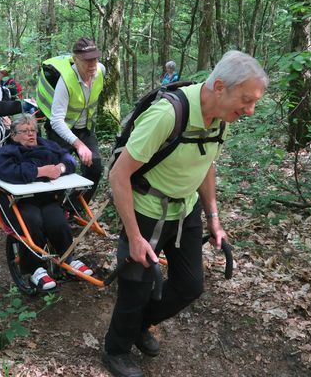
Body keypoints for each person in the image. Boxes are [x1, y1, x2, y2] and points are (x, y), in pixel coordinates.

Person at [102, 51, 268, 377]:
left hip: (186, 210)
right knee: (136, 286)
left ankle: (137, 326)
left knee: (190, 286)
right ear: (219, 86)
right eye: (246, 100)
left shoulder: (221, 118)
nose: (250, 110)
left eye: (254, 103)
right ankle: (116, 350)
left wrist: (214, 219)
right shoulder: (168, 114)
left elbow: (205, 164)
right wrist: (134, 237)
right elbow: (118, 176)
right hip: (147, 211)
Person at [0, 114, 93, 290]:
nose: (31, 134)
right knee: (32, 221)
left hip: (46, 197)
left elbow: (68, 159)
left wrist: (60, 168)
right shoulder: (8, 151)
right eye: (25, 131)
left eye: (33, 130)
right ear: (14, 135)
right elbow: (6, 171)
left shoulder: (48, 146)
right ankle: (35, 269)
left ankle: (68, 259)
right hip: (20, 201)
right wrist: (40, 171)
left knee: (57, 220)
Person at [36, 37, 105, 209]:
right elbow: (56, 120)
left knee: (95, 168)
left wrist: (83, 141)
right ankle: (53, 211)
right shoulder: (65, 81)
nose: (92, 64)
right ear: (75, 60)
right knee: (58, 172)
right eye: (86, 60)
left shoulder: (101, 71)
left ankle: (73, 209)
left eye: (94, 59)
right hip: (60, 132)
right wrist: (79, 145)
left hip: (85, 128)